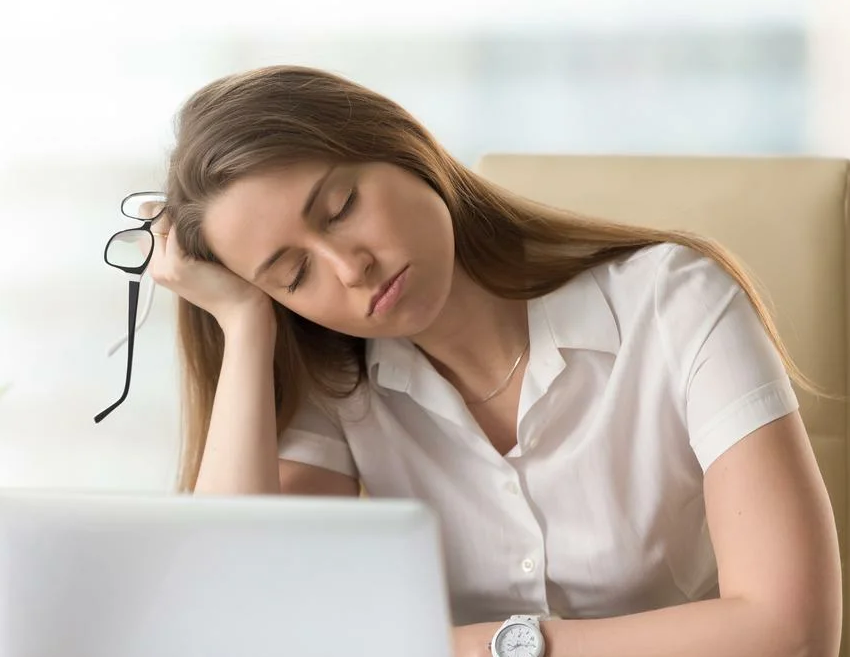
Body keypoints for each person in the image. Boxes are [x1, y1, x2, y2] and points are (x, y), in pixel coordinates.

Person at [145, 65, 841, 657]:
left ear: (399, 146)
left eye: (341, 207)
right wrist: (245, 323)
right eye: (294, 274)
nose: (350, 268)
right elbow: (230, 617)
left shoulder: (674, 300)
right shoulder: (338, 380)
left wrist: (484, 646)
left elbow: (793, 631)